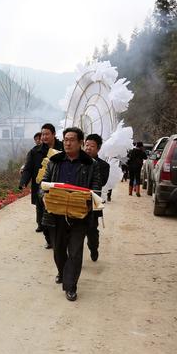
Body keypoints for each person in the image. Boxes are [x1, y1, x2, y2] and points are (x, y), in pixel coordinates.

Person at [41, 127, 101, 302]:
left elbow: (96, 188)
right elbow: (43, 184)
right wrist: (44, 196)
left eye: (72, 139)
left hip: (79, 215)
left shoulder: (91, 164)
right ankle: (62, 271)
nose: (67, 143)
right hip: (56, 214)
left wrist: (89, 204)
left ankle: (71, 286)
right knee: (59, 250)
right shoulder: (55, 161)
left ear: (80, 142)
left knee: (75, 251)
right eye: (65, 139)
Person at [19, 123, 64, 249]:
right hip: (41, 189)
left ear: (54, 134)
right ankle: (49, 239)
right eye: (42, 134)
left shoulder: (63, 149)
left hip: (58, 187)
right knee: (42, 220)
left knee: (58, 215)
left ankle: (59, 240)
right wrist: (23, 182)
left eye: (47, 134)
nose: (44, 137)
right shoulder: (35, 152)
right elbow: (28, 168)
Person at [84, 134, 110, 262]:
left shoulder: (103, 165)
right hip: (77, 200)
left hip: (94, 200)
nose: (88, 148)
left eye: (92, 146)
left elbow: (102, 182)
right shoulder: (77, 161)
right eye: (86, 145)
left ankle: (94, 248)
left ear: (98, 149)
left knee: (92, 230)